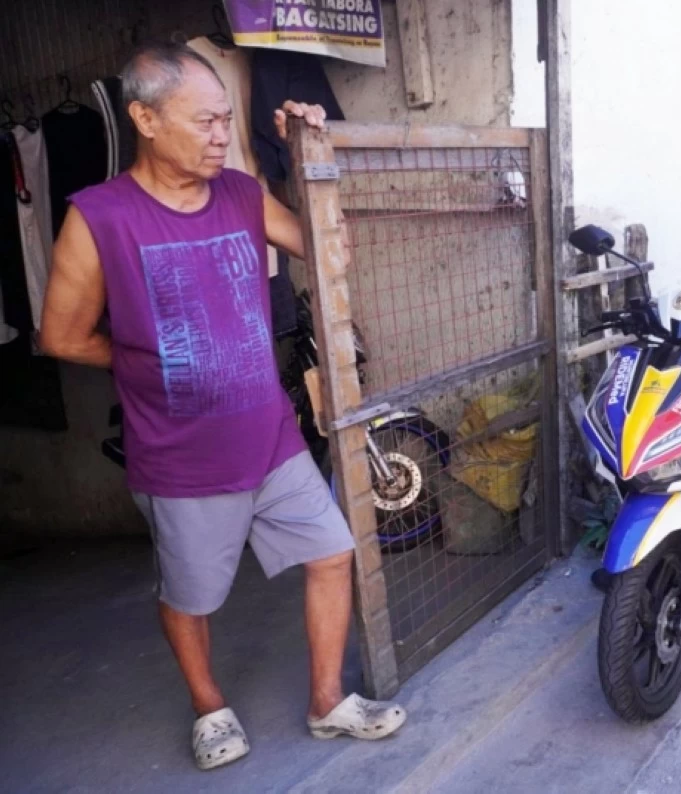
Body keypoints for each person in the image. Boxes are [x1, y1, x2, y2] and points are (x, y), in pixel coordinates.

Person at [38, 42, 406, 771]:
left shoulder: (240, 192)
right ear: (144, 118)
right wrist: (150, 363)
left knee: (333, 555)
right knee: (191, 595)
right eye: (203, 121)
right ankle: (210, 707)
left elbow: (328, 255)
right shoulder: (101, 216)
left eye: (224, 121)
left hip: (270, 438)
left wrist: (306, 155)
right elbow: (61, 336)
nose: (218, 135)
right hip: (179, 457)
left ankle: (328, 701)